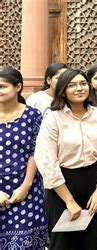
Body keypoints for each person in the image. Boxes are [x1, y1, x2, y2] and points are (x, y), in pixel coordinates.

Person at [35, 68, 97, 249]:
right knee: (62, 243)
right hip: (61, 184)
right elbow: (48, 163)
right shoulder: (53, 119)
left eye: (83, 83)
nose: (79, 89)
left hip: (93, 181)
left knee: (92, 240)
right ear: (62, 90)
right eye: (72, 85)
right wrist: (69, 201)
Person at [0, 67, 48, 249]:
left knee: (24, 243)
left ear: (18, 87)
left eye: (2, 86)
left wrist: (25, 187)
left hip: (27, 190)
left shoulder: (32, 115)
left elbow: (36, 152)